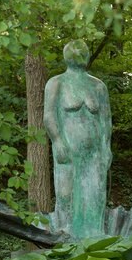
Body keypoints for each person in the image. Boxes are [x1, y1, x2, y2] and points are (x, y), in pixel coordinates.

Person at [43, 40, 112, 239]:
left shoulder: (98, 86)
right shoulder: (57, 83)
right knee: (66, 193)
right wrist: (57, 140)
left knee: (95, 192)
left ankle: (94, 233)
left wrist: (106, 148)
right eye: (75, 52)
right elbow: (49, 116)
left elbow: (106, 120)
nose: (80, 54)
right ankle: (65, 233)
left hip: (95, 152)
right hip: (68, 147)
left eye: (83, 51)